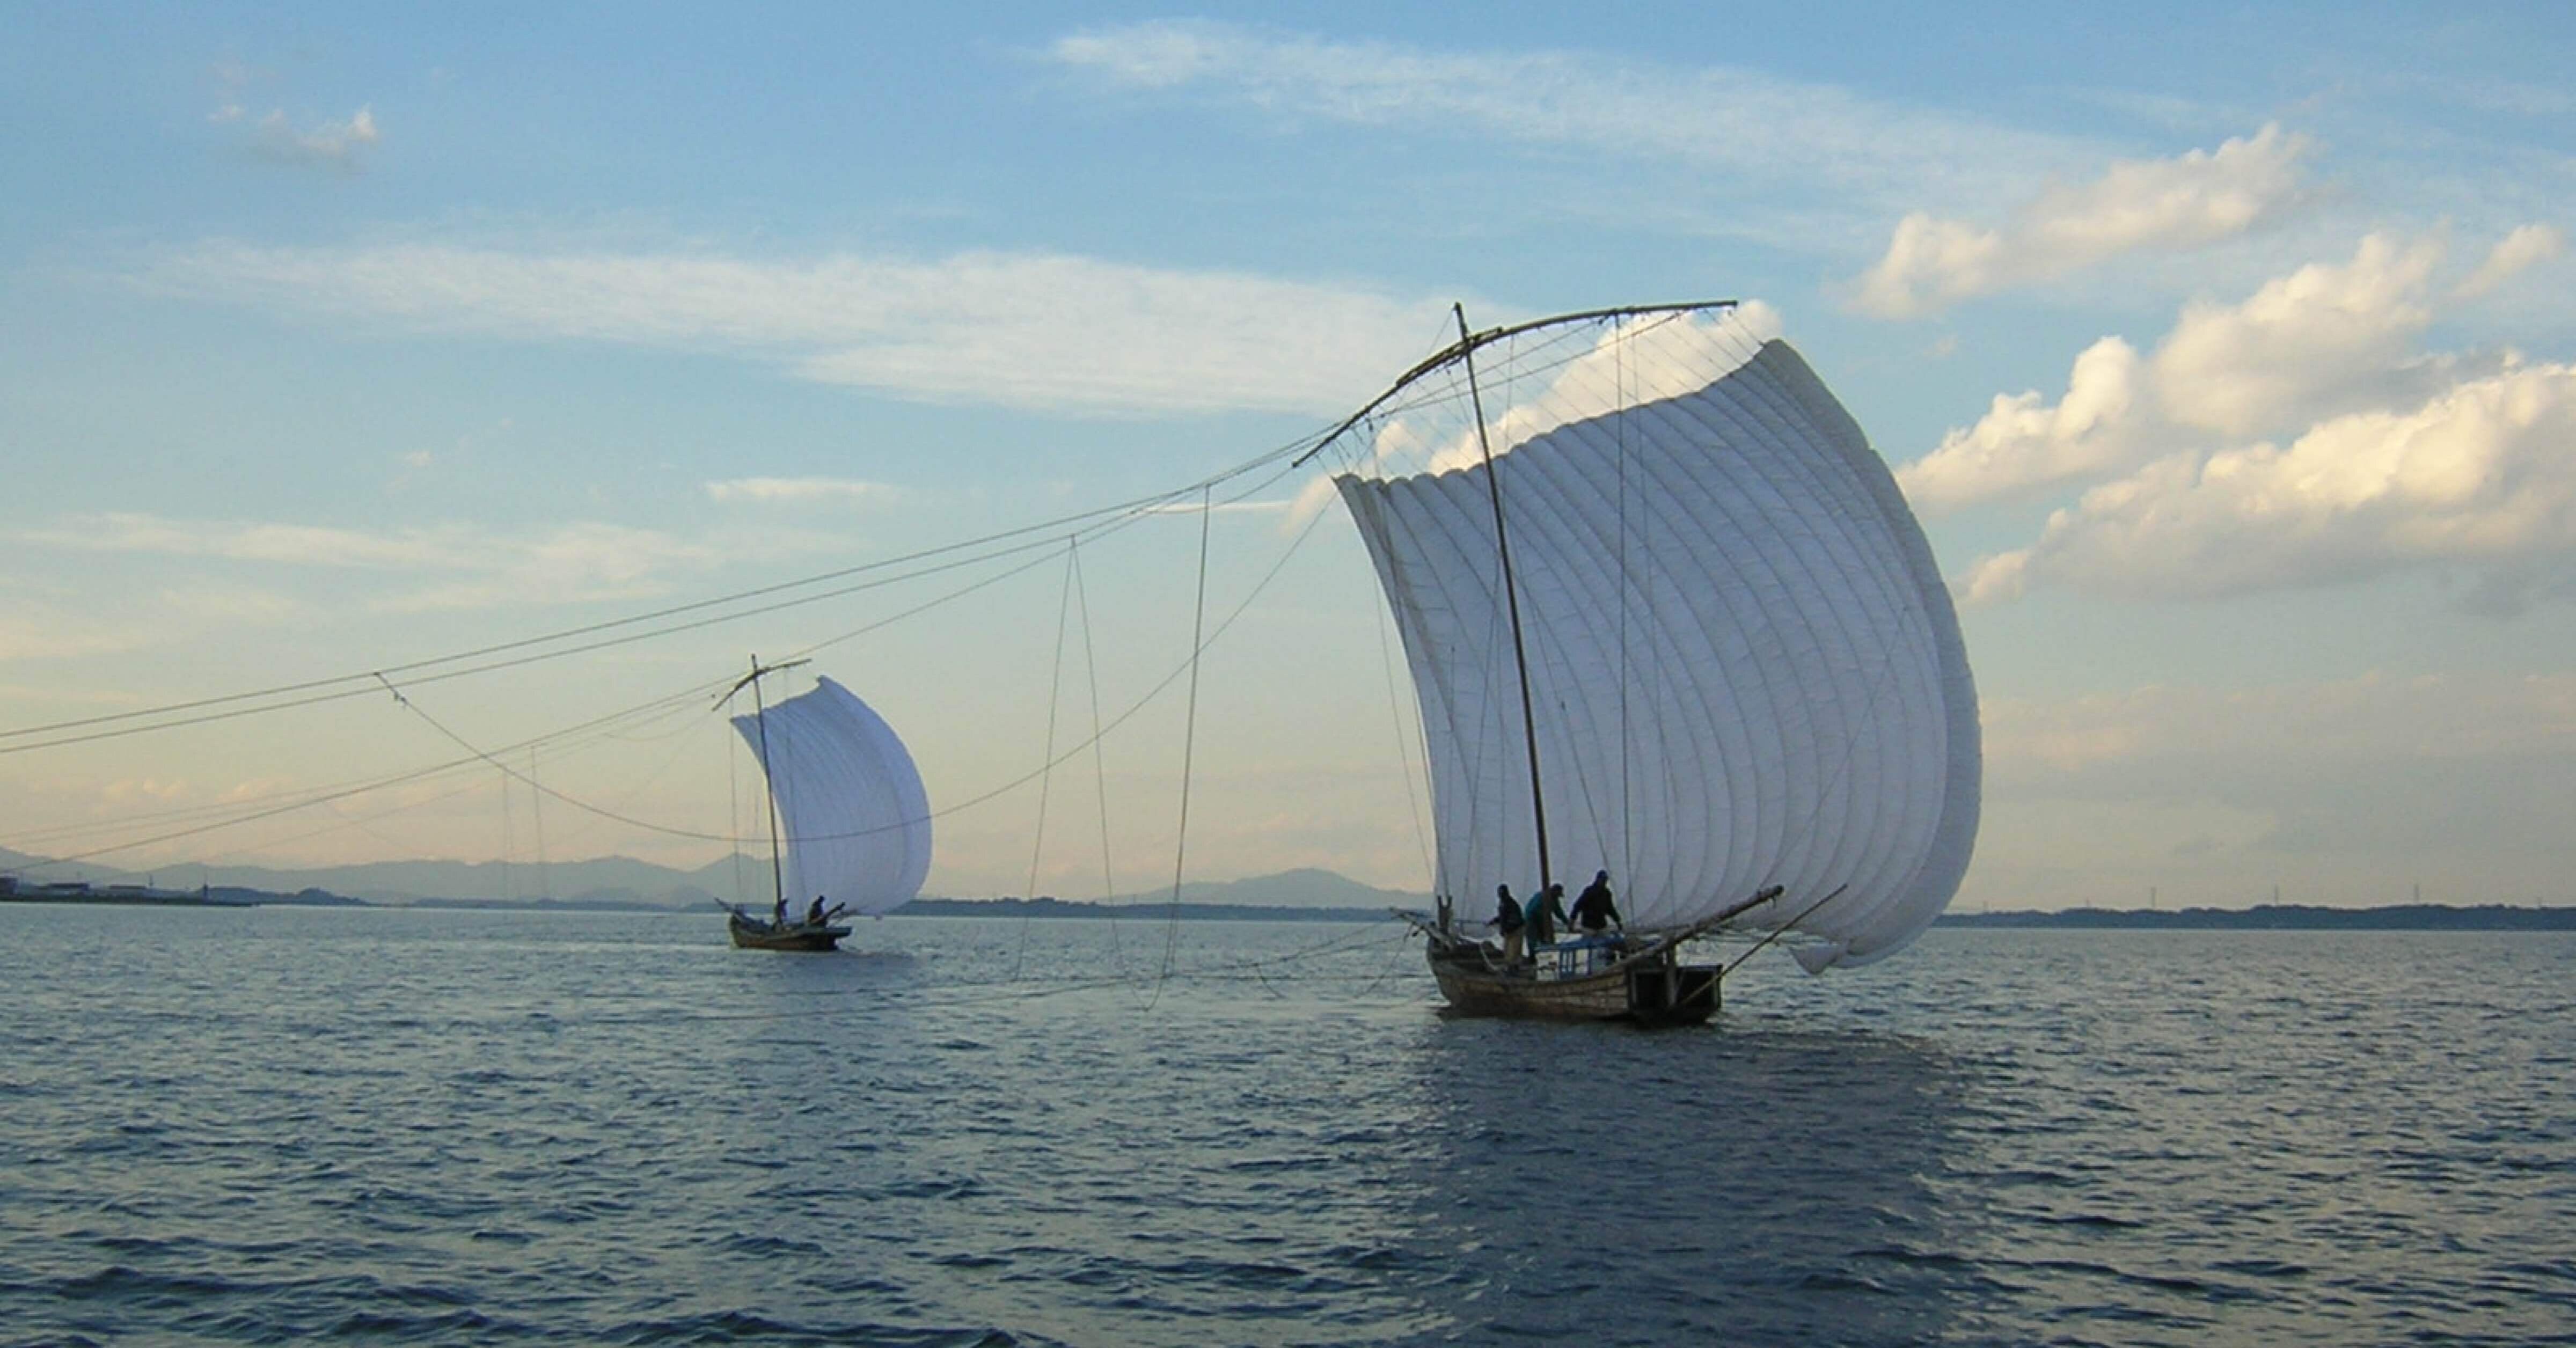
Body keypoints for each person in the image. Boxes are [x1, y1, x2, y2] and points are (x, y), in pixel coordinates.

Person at [1572, 869, 1623, 934]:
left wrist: (1618, 921)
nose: (1604, 882)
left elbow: (1610, 909)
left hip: (1602, 926)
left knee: (1605, 941)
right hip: (1589, 926)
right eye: (1602, 879)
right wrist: (1572, 921)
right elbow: (1578, 906)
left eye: (1605, 880)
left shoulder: (1607, 893)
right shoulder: (1589, 891)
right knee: (1588, 942)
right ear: (1597, 879)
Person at [1489, 884, 1527, 964]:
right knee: (1507, 950)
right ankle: (1509, 965)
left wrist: (1506, 928)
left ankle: (1513, 967)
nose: (1500, 895)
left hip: (1516, 929)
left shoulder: (1510, 903)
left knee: (1514, 950)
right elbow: (1503, 916)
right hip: (1509, 930)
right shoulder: (1503, 903)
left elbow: (1515, 919)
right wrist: (1494, 921)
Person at [1525, 882, 1569, 947]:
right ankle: (1533, 955)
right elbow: (1533, 910)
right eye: (1558, 895)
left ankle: (1544, 949)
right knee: (1533, 938)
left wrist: (1567, 923)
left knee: (1544, 938)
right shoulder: (1542, 897)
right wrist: (1544, 919)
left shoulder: (1554, 900)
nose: (1558, 897)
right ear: (1554, 891)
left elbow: (1559, 912)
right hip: (1531, 919)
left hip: (1541, 920)